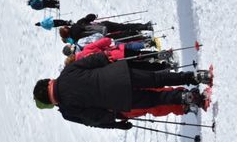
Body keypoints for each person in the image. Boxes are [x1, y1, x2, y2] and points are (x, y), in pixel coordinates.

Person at [32, 53, 212, 130]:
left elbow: (93, 118)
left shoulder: (67, 111)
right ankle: (196, 76)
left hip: (119, 100)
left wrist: (115, 121)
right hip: (119, 74)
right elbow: (92, 61)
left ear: (49, 102)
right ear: (48, 82)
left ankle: (187, 97)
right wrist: (105, 58)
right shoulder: (67, 73)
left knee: (156, 98)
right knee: (158, 78)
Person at [60, 13, 153, 42]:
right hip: (103, 26)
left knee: (122, 37)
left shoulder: (76, 40)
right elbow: (89, 17)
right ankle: (145, 26)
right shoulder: (77, 23)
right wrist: (94, 16)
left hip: (101, 37)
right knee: (123, 27)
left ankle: (143, 38)